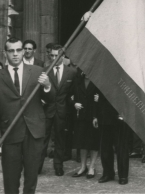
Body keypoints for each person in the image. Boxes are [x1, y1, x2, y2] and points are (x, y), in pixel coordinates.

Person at [0, 37, 52, 194]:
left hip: (33, 132)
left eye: (18, 50)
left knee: (31, 180)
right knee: (10, 180)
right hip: (10, 132)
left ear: (23, 51)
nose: (15, 54)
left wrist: (48, 85)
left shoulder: (37, 71)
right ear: (5, 53)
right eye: (11, 51)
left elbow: (50, 100)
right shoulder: (1, 75)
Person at [39, 44, 76, 176]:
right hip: (47, 110)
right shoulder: (45, 70)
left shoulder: (71, 72)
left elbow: (72, 93)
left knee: (60, 139)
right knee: (43, 139)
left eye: (57, 56)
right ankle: (38, 166)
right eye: (52, 55)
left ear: (63, 56)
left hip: (62, 111)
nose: (54, 58)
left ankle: (58, 166)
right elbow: (40, 92)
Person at [93, 91, 131, 185]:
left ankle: (123, 175)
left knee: (121, 148)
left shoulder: (124, 77)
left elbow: (128, 96)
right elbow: (95, 96)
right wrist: (95, 116)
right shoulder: (101, 78)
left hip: (119, 117)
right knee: (105, 147)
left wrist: (125, 113)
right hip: (104, 116)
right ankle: (108, 173)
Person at [71, 69, 99, 178]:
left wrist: (96, 116)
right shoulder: (78, 80)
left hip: (93, 116)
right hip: (81, 115)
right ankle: (83, 167)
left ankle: (91, 167)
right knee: (81, 142)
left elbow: (104, 98)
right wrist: (74, 103)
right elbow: (69, 95)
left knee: (93, 142)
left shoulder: (98, 81)